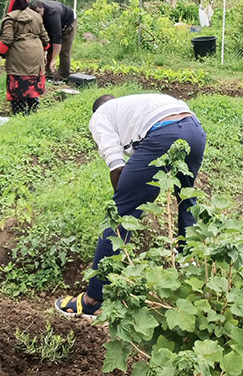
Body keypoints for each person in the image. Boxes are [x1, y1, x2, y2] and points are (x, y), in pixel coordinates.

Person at [54, 93, 206, 318]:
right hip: (194, 129)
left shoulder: (100, 116)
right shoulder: (137, 105)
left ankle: (93, 299)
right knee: (186, 198)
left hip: (164, 132)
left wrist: (124, 199)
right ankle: (189, 265)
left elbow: (116, 165)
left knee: (120, 214)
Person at [0, 0, 50, 115]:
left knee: (18, 80)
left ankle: (18, 111)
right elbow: (45, 37)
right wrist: (45, 50)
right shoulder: (36, 16)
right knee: (33, 81)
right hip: (36, 52)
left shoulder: (11, 17)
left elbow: (7, 39)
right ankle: (33, 108)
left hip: (19, 54)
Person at [28, 0, 77, 80]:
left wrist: (54, 60)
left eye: (38, 14)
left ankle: (63, 76)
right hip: (51, 20)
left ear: (42, 9)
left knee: (64, 51)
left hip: (68, 23)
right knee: (49, 47)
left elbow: (57, 38)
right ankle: (48, 73)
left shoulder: (53, 14)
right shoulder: (32, 10)